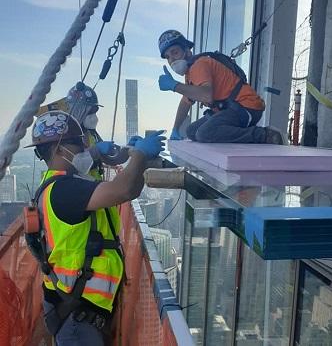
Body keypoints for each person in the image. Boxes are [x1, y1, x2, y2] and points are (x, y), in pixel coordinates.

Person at [26, 110, 165, 345]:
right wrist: (140, 155)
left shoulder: (62, 183)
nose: (85, 147)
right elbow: (124, 190)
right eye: (80, 143)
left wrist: (127, 157)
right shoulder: (65, 190)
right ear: (59, 149)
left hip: (79, 307)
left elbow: (128, 186)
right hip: (77, 314)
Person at [157, 30, 285, 144]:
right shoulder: (190, 73)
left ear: (187, 51)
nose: (172, 59)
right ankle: (239, 132)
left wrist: (174, 86)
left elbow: (206, 95)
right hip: (228, 109)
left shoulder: (199, 65)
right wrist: (175, 129)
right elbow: (185, 103)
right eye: (168, 57)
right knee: (191, 131)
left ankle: (265, 135)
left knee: (204, 133)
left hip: (246, 107)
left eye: (175, 52)